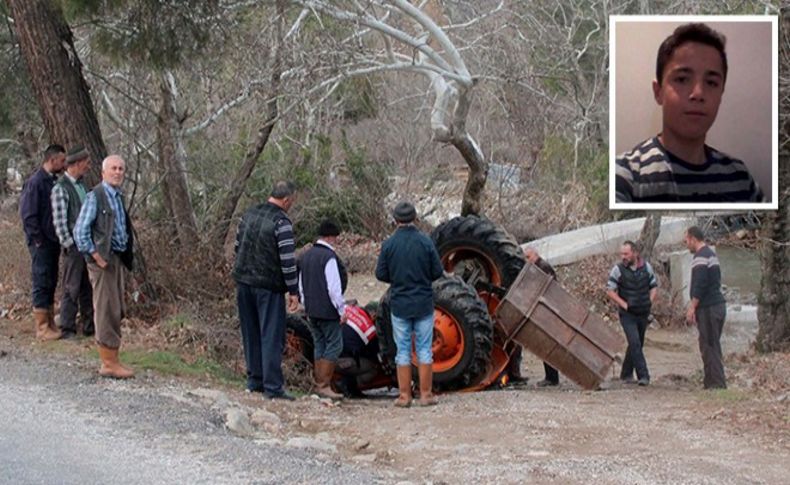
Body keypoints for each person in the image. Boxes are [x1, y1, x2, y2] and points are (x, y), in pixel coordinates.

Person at [615, 23, 763, 203]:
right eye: (682, 79)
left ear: (721, 94)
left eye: (711, 83)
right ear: (658, 92)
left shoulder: (740, 178)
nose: (698, 93)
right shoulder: (626, 176)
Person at [232, 181, 300, 400]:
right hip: (268, 285)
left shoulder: (248, 215)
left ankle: (255, 380)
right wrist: (293, 291)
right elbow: (288, 261)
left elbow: (237, 246)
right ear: (287, 200)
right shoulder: (282, 222)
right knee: (271, 334)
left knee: (250, 332)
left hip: (243, 281)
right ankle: (273, 386)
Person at [375, 201, 443, 407]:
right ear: (415, 218)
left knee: (402, 350)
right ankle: (426, 394)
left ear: (395, 220)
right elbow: (437, 272)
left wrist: (397, 280)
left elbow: (380, 273)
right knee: (424, 349)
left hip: (400, 304)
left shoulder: (389, 244)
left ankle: (404, 396)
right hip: (423, 302)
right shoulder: (425, 242)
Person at [74, 155, 135, 379]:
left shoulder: (117, 196)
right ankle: (108, 363)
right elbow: (80, 232)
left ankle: (113, 358)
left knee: (116, 308)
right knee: (106, 309)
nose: (118, 172)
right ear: (103, 173)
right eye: (113, 169)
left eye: (121, 168)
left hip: (115, 259)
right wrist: (97, 257)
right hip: (103, 262)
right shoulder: (96, 196)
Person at [19, 144, 66, 341]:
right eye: (62, 161)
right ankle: (41, 326)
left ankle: (50, 320)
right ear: (52, 159)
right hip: (41, 242)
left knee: (51, 280)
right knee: (41, 279)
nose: (64, 164)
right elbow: (28, 215)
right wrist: (37, 240)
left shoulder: (53, 181)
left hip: (52, 240)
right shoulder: (36, 182)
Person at [298, 219, 346, 400]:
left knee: (319, 343)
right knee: (335, 344)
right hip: (327, 310)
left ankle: (318, 383)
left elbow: (301, 285)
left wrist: (305, 303)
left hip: (311, 310)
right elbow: (334, 288)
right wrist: (342, 310)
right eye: (336, 238)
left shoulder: (306, 256)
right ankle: (323, 385)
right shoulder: (329, 257)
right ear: (330, 237)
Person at [51, 145, 94, 339]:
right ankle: (67, 328)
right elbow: (60, 223)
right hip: (74, 247)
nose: (88, 166)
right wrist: (69, 245)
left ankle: (89, 326)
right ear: (76, 164)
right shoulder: (61, 188)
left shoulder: (83, 185)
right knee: (71, 287)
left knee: (87, 286)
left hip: (87, 245)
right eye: (86, 163)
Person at [606, 241, 658, 386]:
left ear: (635, 253)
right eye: (621, 254)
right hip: (627, 314)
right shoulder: (618, 270)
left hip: (643, 312)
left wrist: (649, 301)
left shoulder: (646, 267)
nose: (623, 257)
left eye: (626, 254)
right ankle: (644, 376)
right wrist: (624, 304)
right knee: (634, 341)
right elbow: (610, 290)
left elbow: (653, 286)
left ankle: (626, 374)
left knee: (637, 343)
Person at [684, 226, 727, 389]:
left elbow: (700, 285)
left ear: (693, 239)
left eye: (686, 241)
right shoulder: (711, 254)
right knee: (711, 344)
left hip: (708, 307)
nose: (686, 244)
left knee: (709, 346)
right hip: (717, 306)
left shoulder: (700, 257)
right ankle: (711, 382)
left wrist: (692, 307)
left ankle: (716, 385)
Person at [521, 247, 561, 387]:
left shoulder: (542, 267)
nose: (526, 260)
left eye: (528, 256)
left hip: (547, 310)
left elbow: (548, 288)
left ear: (535, 255)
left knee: (547, 345)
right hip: (545, 309)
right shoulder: (537, 268)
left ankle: (552, 378)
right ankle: (550, 376)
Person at [335, 303, 381, 398]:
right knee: (373, 368)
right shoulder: (369, 329)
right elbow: (375, 352)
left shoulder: (349, 308)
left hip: (325, 356)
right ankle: (347, 386)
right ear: (374, 315)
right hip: (340, 361)